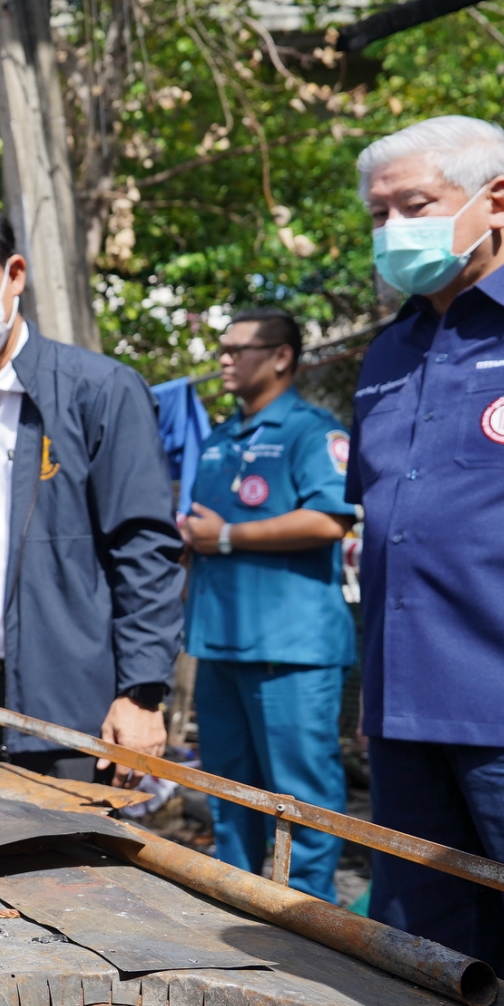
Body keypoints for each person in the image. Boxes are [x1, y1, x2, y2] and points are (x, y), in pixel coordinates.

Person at [348, 115, 504, 1006]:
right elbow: (388, 525)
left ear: (497, 202)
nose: (391, 232)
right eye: (378, 216)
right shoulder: (389, 352)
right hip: (406, 720)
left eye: (413, 206)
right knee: (426, 974)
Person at [0, 200, 184, 781]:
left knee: (75, 844)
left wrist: (142, 692)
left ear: (14, 274)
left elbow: (144, 547)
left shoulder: (99, 391)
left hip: (71, 707)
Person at [178, 309, 356, 901]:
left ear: (282, 357)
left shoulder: (312, 431)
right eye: (222, 348)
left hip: (290, 650)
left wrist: (228, 536)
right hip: (218, 643)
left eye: (240, 349)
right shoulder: (219, 438)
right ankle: (234, 906)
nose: (225, 359)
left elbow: (331, 518)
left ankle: (307, 916)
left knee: (301, 797)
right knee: (228, 794)